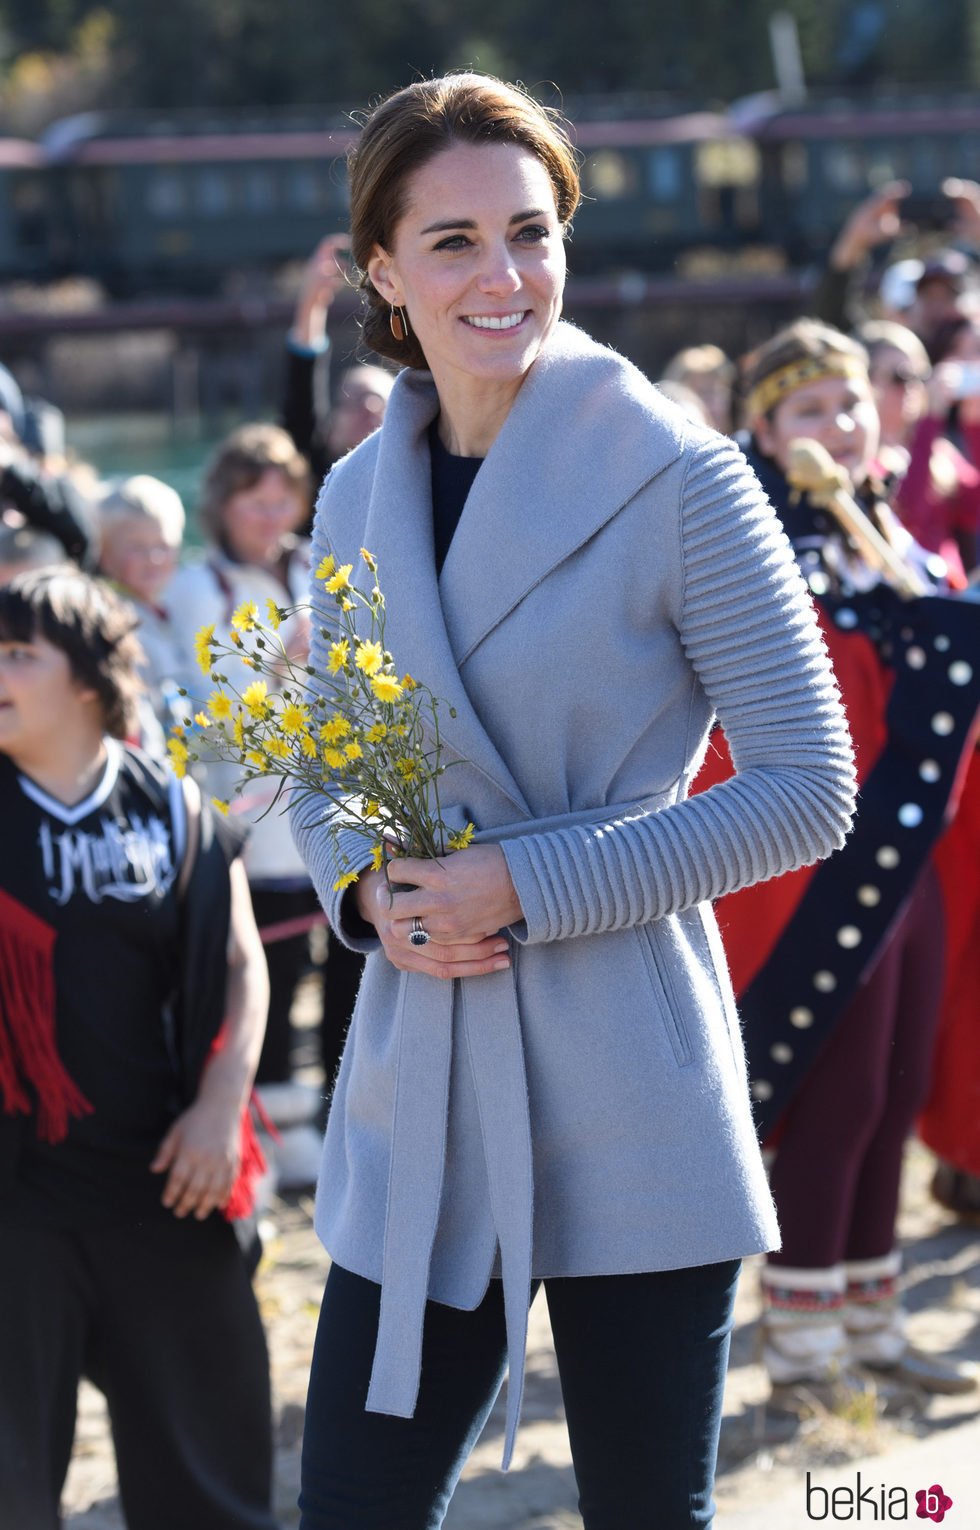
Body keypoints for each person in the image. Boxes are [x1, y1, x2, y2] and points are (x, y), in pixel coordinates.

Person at [289, 73, 856, 1530]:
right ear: (383, 272)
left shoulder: (684, 475)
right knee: (350, 1505)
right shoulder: (354, 495)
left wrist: (523, 881)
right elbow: (326, 761)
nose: (504, 274)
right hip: (423, 1079)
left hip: (632, 1082)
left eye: (531, 233)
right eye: (457, 240)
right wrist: (368, 890)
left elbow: (808, 787)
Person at [701, 318, 980, 1409]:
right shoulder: (763, 544)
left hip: (911, 853)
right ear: (764, 431)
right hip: (817, 858)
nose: (840, 425)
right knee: (837, 1095)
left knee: (896, 1084)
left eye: (851, 403)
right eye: (809, 410)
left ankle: (869, 1321)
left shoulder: (886, 535)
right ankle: (805, 1348)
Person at [0, 566, 277, 1530]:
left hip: (166, 1182)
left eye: (15, 653)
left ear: (84, 677)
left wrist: (217, 1107)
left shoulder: (168, 807)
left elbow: (244, 966)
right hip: (17, 1204)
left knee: (212, 1483)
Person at [167, 423, 324, 1190]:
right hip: (252, 823)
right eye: (252, 502)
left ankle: (325, 1124)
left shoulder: (313, 568)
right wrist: (278, 662)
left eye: (281, 500)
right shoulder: (200, 588)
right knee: (265, 972)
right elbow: (210, 712)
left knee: (344, 976)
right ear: (222, 507)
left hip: (330, 817)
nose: (269, 517)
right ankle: (263, 1136)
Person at [96, 473, 187, 750]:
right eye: (136, 548)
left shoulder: (163, 611)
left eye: (163, 545)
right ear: (104, 554)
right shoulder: (116, 621)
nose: (153, 559)